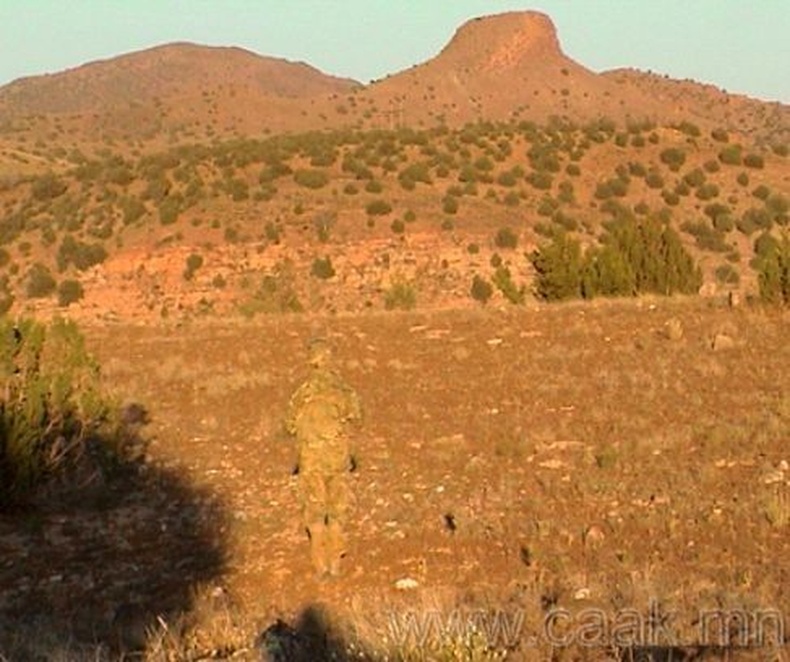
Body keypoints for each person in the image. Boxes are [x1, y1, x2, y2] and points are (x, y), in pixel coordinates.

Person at [285, 338, 362, 578]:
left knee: (314, 512)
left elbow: (289, 426)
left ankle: (320, 567)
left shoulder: (302, 394)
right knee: (337, 512)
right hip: (338, 460)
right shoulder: (345, 391)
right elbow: (357, 421)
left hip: (310, 461)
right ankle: (336, 565)